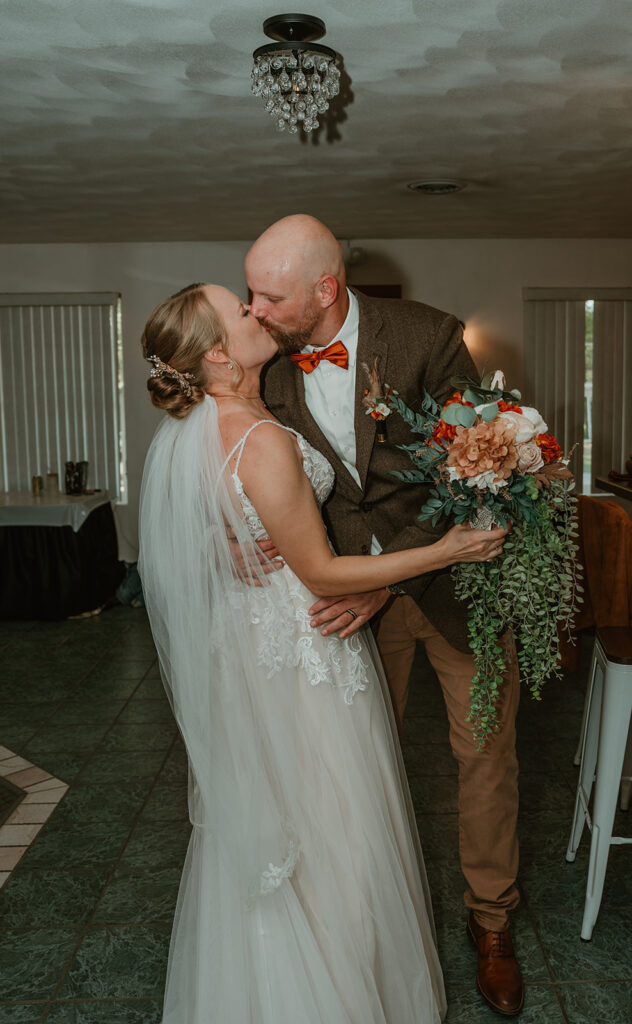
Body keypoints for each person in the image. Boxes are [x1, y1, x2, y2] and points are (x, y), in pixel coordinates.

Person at [138, 282, 508, 1024]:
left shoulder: (196, 426)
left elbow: (208, 511)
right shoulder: (260, 432)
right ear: (216, 352)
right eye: (242, 309)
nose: (257, 311)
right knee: (336, 829)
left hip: (250, 646)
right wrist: (450, 548)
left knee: (282, 826)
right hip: (308, 640)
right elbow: (323, 573)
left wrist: (221, 536)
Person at [246, 215, 524, 1017]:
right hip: (341, 600)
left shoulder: (429, 336)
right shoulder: (267, 365)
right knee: (353, 772)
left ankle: (492, 922)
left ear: (325, 290)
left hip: (455, 585)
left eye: (271, 295)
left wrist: (387, 581)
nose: (254, 309)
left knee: (487, 758)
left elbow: (480, 473)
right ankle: (362, 926)